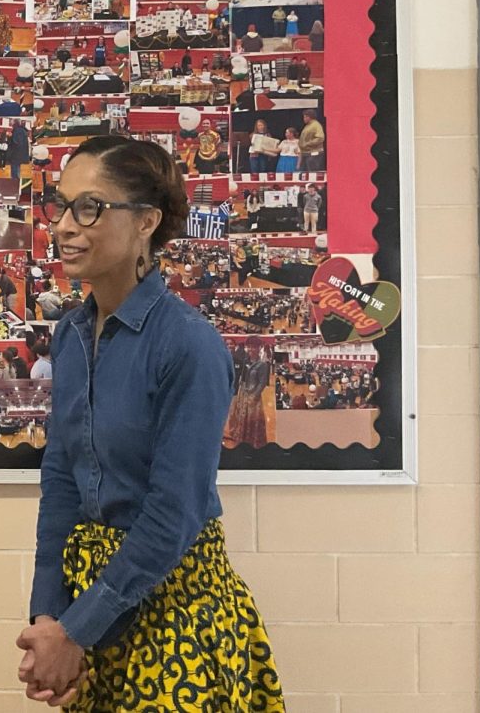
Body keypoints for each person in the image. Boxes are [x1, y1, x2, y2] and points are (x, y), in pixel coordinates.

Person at [19, 135, 283, 710]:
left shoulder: (187, 344)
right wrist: (48, 618)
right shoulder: (69, 336)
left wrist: (75, 630)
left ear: (146, 221)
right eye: (59, 206)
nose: (64, 225)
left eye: (89, 207)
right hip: (86, 609)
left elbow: (174, 512)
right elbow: (60, 480)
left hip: (171, 609)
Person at [224, 337, 271, 449]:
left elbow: (262, 383)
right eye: (249, 346)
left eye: (253, 347)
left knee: (252, 420)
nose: (250, 349)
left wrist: (254, 396)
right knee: (241, 417)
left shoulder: (262, 365)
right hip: (242, 393)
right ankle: (242, 439)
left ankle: (253, 442)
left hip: (253, 396)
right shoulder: (245, 361)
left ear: (259, 348)